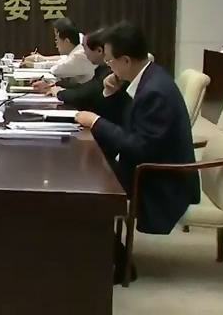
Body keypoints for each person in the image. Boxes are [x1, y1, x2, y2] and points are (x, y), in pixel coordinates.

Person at [74, 21, 199, 283]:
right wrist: (113, 93)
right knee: (84, 173)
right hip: (144, 166)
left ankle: (120, 265)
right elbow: (131, 122)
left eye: (110, 61)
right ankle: (103, 255)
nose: (109, 66)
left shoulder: (154, 92)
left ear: (126, 60)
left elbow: (140, 146)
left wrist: (96, 122)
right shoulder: (149, 79)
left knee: (83, 187)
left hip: (160, 179)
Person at [32, 28, 122, 119]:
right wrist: (54, 86)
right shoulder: (101, 69)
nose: (83, 52)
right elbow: (84, 87)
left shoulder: (109, 71)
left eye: (84, 48)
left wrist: (59, 92)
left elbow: (87, 94)